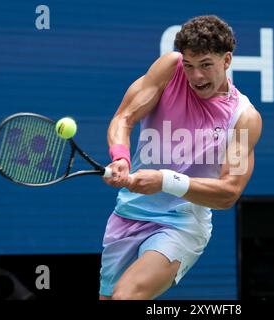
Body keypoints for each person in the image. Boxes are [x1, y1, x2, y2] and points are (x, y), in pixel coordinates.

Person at [99, 15, 262, 300]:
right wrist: (121, 157)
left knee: (125, 298)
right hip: (128, 213)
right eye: (189, 65)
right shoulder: (168, 69)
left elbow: (228, 192)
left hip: (181, 223)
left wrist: (165, 180)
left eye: (206, 65)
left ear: (227, 60)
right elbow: (124, 117)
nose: (196, 76)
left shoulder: (244, 119)